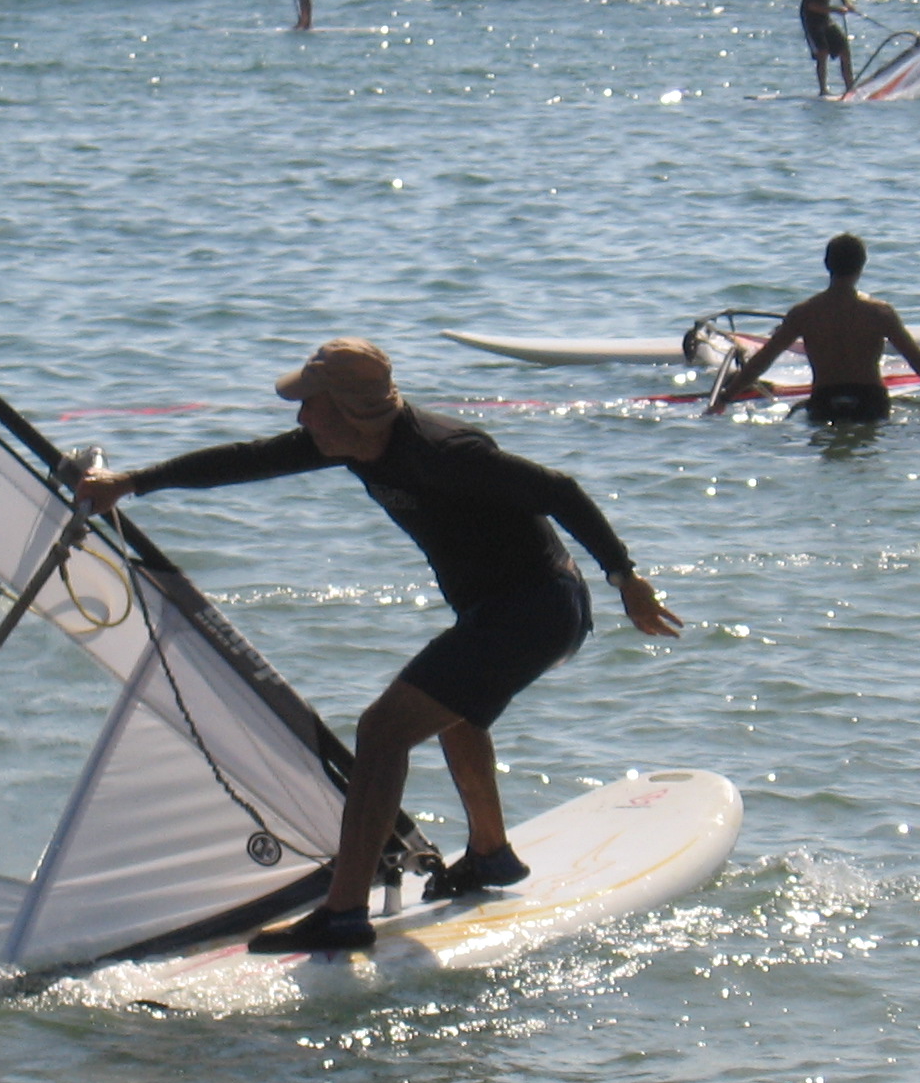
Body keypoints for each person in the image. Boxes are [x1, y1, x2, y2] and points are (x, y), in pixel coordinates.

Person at [75, 340, 681, 953]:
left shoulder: (446, 452)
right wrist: (131, 483)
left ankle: (343, 914)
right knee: (454, 712)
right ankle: (491, 854)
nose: (300, 418)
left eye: (310, 404)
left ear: (350, 408)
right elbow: (248, 460)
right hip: (496, 612)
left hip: (537, 610)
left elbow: (560, 490)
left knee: (383, 731)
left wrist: (625, 578)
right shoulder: (348, 444)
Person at [708, 234, 920, 421]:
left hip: (825, 401)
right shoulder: (879, 313)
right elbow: (918, 360)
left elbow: (763, 360)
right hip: (870, 402)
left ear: (826, 264)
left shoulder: (804, 313)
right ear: (862, 265)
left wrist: (724, 399)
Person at [800, 0, 854, 96]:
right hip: (810, 19)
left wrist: (848, 6)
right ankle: (823, 90)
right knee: (822, 52)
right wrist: (836, 10)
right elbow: (811, 5)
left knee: (844, 50)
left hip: (825, 18)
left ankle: (850, 87)